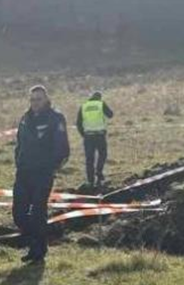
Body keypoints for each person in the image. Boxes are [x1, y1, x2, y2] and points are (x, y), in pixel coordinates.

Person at [13, 85, 70, 263]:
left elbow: (62, 148)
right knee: (19, 214)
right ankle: (37, 243)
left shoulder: (55, 118)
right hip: (23, 172)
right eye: (32, 99)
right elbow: (19, 143)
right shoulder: (25, 118)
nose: (34, 103)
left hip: (43, 174)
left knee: (38, 212)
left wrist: (51, 168)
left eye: (38, 99)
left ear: (46, 99)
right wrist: (19, 161)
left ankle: (37, 251)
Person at [75, 90, 114, 187]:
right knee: (102, 154)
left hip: (88, 136)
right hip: (100, 135)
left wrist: (83, 134)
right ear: (100, 97)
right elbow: (110, 115)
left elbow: (78, 123)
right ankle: (99, 172)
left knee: (89, 159)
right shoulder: (101, 104)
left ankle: (90, 180)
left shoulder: (84, 106)